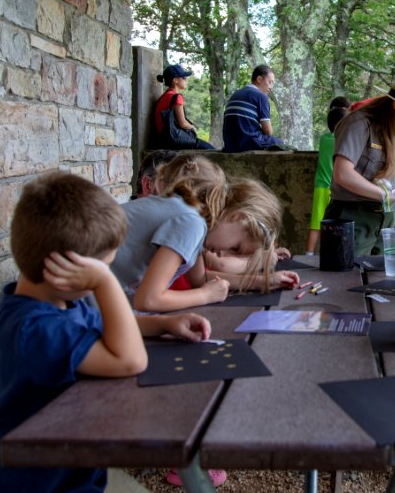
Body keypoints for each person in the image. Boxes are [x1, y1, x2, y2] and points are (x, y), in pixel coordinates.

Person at [0, 171, 211, 493]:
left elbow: (105, 330)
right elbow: (130, 360)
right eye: (105, 267)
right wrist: (104, 284)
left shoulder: (58, 304)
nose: (108, 274)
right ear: (70, 270)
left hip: (72, 464)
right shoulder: (37, 328)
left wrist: (163, 324)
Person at [111, 155, 298, 313]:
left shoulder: (192, 217)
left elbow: (199, 279)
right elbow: (148, 300)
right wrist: (206, 296)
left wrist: (264, 282)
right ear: (238, 216)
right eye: (236, 247)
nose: (224, 254)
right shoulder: (192, 223)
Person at [324, 73, 395, 256]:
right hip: (353, 216)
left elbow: (385, 181)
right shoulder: (359, 123)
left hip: (385, 219)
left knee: (382, 280)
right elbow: (343, 173)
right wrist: (386, 196)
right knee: (348, 278)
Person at [305, 102, 351, 254]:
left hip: (321, 187)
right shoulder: (342, 141)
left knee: (316, 224)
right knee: (338, 224)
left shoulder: (324, 139)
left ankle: (309, 253)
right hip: (337, 189)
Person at [222, 64, 285, 152]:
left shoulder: (235, 94)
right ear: (259, 79)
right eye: (270, 82)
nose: (271, 87)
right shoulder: (261, 96)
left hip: (230, 145)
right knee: (280, 143)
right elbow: (268, 132)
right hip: (248, 144)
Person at [154, 63, 214, 150]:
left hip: (162, 140)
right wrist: (193, 128)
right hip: (172, 140)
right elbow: (183, 123)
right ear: (175, 80)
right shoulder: (176, 97)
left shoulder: (163, 97)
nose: (186, 80)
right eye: (184, 78)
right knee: (212, 150)